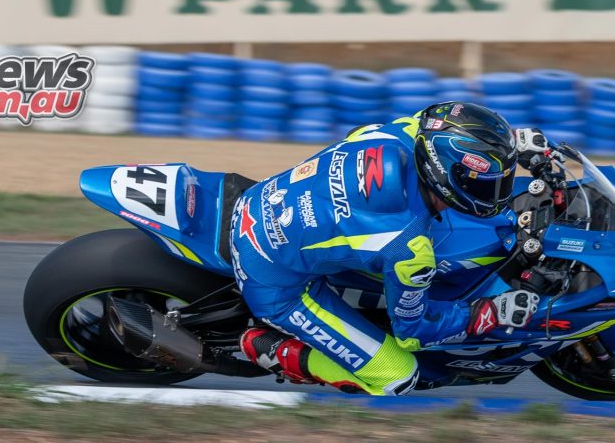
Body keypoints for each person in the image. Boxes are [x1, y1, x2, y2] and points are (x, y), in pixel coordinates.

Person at [231, 102, 545, 396]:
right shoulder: (409, 248)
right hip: (273, 282)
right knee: (399, 376)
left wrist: (510, 143)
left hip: (259, 198)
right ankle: (277, 351)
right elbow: (414, 332)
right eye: (487, 185)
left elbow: (435, 122)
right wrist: (487, 313)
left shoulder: (403, 133)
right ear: (447, 178)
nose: (496, 193)